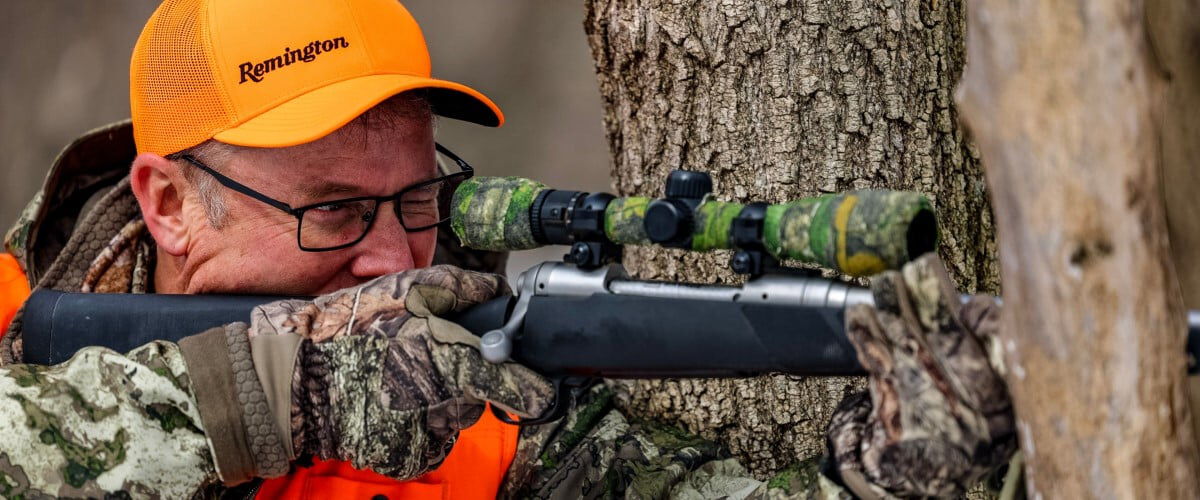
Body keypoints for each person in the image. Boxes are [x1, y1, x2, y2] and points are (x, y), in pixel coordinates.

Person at [0, 0, 1015, 497]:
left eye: (418, 198)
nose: (392, 255)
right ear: (170, 201)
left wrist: (896, 468)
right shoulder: (13, 321)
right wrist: (277, 391)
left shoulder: (472, 398)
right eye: (337, 212)